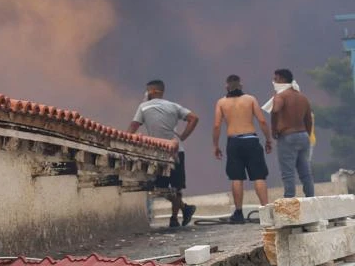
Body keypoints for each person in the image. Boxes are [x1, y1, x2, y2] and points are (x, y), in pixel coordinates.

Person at [129, 80, 200, 228]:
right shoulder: (173, 106)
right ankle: (179, 214)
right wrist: (183, 136)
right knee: (177, 186)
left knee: (159, 187)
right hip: (177, 150)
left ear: (153, 91)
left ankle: (180, 214)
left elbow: (134, 126)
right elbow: (194, 118)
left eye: (147, 91)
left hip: (158, 152)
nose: (146, 94)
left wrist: (126, 140)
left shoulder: (143, 107)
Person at [212, 75, 272, 223]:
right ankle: (266, 212)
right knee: (259, 176)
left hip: (234, 142)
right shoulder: (250, 99)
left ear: (227, 86)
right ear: (241, 85)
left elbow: (217, 125)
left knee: (236, 177)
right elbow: (262, 120)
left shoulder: (221, 103)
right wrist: (268, 139)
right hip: (251, 140)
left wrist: (216, 145)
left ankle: (238, 214)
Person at [269, 69, 315, 197]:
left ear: (283, 80)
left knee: (288, 173)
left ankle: (289, 201)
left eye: (276, 79)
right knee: (305, 173)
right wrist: (307, 134)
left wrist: (274, 129)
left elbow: (275, 110)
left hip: (287, 137)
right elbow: (309, 119)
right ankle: (311, 199)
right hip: (303, 136)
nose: (274, 82)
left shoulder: (280, 96)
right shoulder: (302, 97)